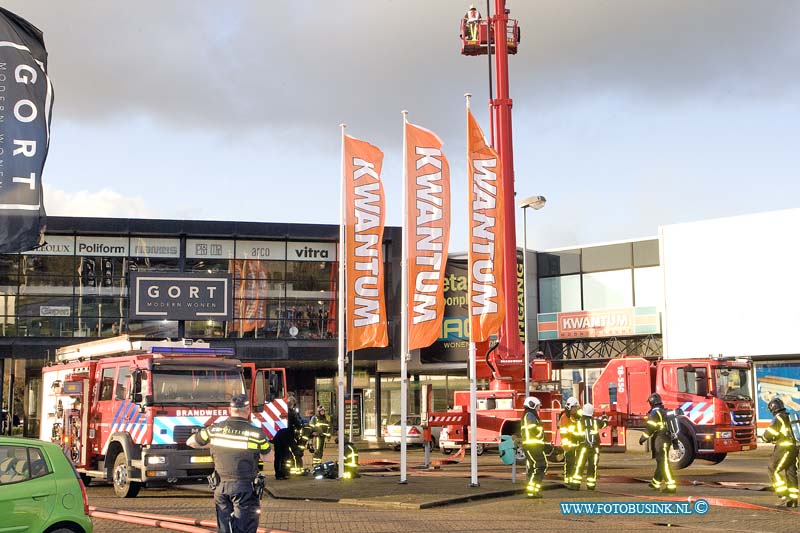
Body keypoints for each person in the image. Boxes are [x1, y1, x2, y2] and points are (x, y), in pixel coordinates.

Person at [187, 394, 271, 533]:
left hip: (220, 487)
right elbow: (269, 458)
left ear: (230, 409)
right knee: (245, 528)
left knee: (225, 529)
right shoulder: (256, 434)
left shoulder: (214, 429)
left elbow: (191, 442)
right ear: (248, 409)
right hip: (244, 488)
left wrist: (212, 444)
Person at [638, 393, 677, 493]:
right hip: (667, 438)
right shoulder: (664, 411)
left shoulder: (654, 413)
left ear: (651, 402)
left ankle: (671, 486)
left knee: (663, 463)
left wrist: (643, 438)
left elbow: (651, 428)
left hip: (661, 438)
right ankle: (656, 483)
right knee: (661, 462)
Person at [762, 397, 798, 507]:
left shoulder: (778, 418)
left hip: (783, 449)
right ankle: (793, 499)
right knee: (790, 473)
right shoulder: (788, 416)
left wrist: (764, 438)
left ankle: (783, 493)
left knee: (773, 469)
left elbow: (768, 435)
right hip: (794, 449)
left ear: (773, 408)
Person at [570, 403, 608, 490]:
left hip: (582, 448)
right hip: (594, 448)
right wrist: (605, 417)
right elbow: (605, 424)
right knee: (592, 466)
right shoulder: (595, 422)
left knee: (579, 465)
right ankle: (591, 486)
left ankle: (575, 485)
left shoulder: (578, 423)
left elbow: (574, 437)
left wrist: (573, 447)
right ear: (592, 412)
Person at [521, 396, 547, 498]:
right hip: (532, 445)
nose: (539, 408)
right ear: (532, 405)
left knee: (534, 467)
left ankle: (533, 491)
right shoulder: (530, 415)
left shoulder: (530, 415)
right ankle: (532, 491)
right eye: (537, 406)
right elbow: (534, 429)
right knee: (540, 466)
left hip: (533, 445)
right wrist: (541, 429)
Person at [559, 396, 580, 487]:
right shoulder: (565, 417)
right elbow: (564, 432)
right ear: (570, 407)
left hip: (573, 444)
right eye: (575, 408)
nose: (576, 409)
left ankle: (570, 479)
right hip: (569, 445)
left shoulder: (572, 417)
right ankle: (568, 480)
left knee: (572, 463)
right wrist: (566, 446)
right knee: (569, 463)